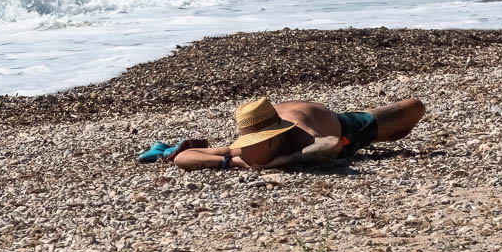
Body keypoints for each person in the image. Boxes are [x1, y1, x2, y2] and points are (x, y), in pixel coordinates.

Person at [169, 96, 424, 171]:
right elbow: (183, 157)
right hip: (300, 111)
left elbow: (331, 145)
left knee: (413, 109)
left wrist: (286, 161)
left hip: (343, 127)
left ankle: (372, 122)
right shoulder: (244, 150)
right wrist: (225, 161)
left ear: (278, 138)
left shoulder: (302, 135)